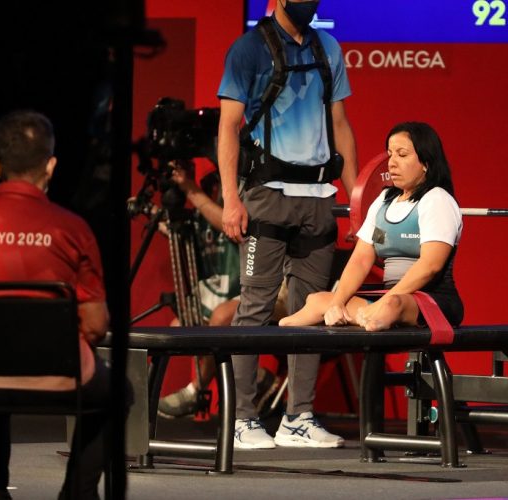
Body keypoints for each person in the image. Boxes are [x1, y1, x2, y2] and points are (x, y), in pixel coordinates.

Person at [0, 110, 127, 500]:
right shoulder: (73, 228)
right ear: (51, 165)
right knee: (119, 392)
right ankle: (76, 493)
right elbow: (95, 325)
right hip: (58, 374)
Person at [217, 0, 358, 449]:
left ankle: (298, 418)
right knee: (255, 307)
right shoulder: (247, 50)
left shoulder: (329, 47)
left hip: (318, 198)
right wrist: (230, 200)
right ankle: (241, 420)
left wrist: (356, 198)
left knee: (313, 309)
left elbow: (340, 122)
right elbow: (228, 127)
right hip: (267, 196)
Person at [280, 122, 463, 331]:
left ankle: (370, 316)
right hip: (387, 296)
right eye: (390, 154)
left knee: (393, 306)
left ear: (426, 163)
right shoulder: (384, 200)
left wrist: (385, 302)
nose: (392, 163)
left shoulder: (437, 200)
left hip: (433, 301)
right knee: (319, 300)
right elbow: (360, 259)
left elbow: (430, 266)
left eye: (402, 155)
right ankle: (282, 333)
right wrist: (336, 303)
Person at [156, 163, 282, 418]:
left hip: (264, 286)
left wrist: (191, 190)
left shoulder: (249, 186)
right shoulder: (208, 187)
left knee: (221, 320)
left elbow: (233, 227)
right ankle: (258, 378)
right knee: (181, 325)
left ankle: (196, 390)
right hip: (222, 288)